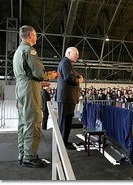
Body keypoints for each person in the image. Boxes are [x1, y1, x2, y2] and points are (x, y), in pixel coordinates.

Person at [13, 25, 58, 168]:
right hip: (29, 90)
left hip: (21, 88)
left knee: (23, 122)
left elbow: (28, 73)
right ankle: (30, 157)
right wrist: (50, 75)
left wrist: (40, 82)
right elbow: (39, 72)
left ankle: (24, 153)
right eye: (35, 35)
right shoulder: (29, 50)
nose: (36, 37)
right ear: (30, 35)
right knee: (33, 121)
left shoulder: (18, 51)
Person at [56, 47, 84, 150]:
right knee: (64, 122)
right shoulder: (65, 63)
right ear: (68, 53)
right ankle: (62, 143)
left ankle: (65, 141)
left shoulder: (68, 64)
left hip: (68, 98)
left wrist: (78, 76)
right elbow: (68, 78)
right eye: (75, 53)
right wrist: (79, 81)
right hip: (65, 98)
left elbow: (73, 74)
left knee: (67, 122)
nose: (78, 56)